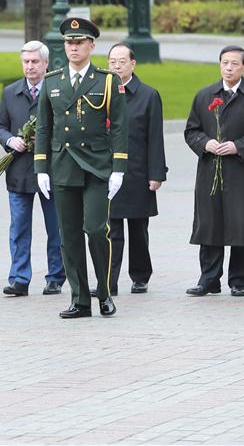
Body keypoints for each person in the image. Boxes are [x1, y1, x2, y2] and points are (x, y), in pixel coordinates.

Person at [34, 17, 127, 319]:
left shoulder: (107, 80)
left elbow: (119, 128)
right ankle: (80, 299)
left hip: (97, 166)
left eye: (79, 42)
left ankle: (104, 292)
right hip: (63, 165)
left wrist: (118, 168)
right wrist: (41, 168)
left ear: (91, 45)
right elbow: (45, 129)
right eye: (69, 42)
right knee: (69, 234)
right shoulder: (52, 81)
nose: (73, 47)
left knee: (97, 230)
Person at [183, 45, 244, 297]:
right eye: (225, 62)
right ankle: (209, 279)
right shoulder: (205, 96)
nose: (229, 67)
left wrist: (238, 146)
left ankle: (239, 280)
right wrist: (205, 143)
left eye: (234, 63)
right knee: (210, 224)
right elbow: (191, 130)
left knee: (241, 224)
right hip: (211, 169)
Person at [0, 40, 65, 297]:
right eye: (26, 61)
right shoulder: (10, 92)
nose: (30, 66)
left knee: (56, 228)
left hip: (51, 170)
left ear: (46, 64)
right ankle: (19, 278)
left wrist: (45, 140)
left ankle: (56, 277)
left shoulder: (57, 91)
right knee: (19, 228)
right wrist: (11, 140)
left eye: (35, 62)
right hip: (19, 171)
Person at [102, 43, 167, 296]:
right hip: (108, 172)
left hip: (138, 172)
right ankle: (109, 280)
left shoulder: (148, 95)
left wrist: (156, 174)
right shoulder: (101, 92)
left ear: (133, 64)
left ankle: (140, 276)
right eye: (112, 62)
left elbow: (155, 137)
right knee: (111, 228)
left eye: (121, 61)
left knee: (138, 229)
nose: (116, 66)